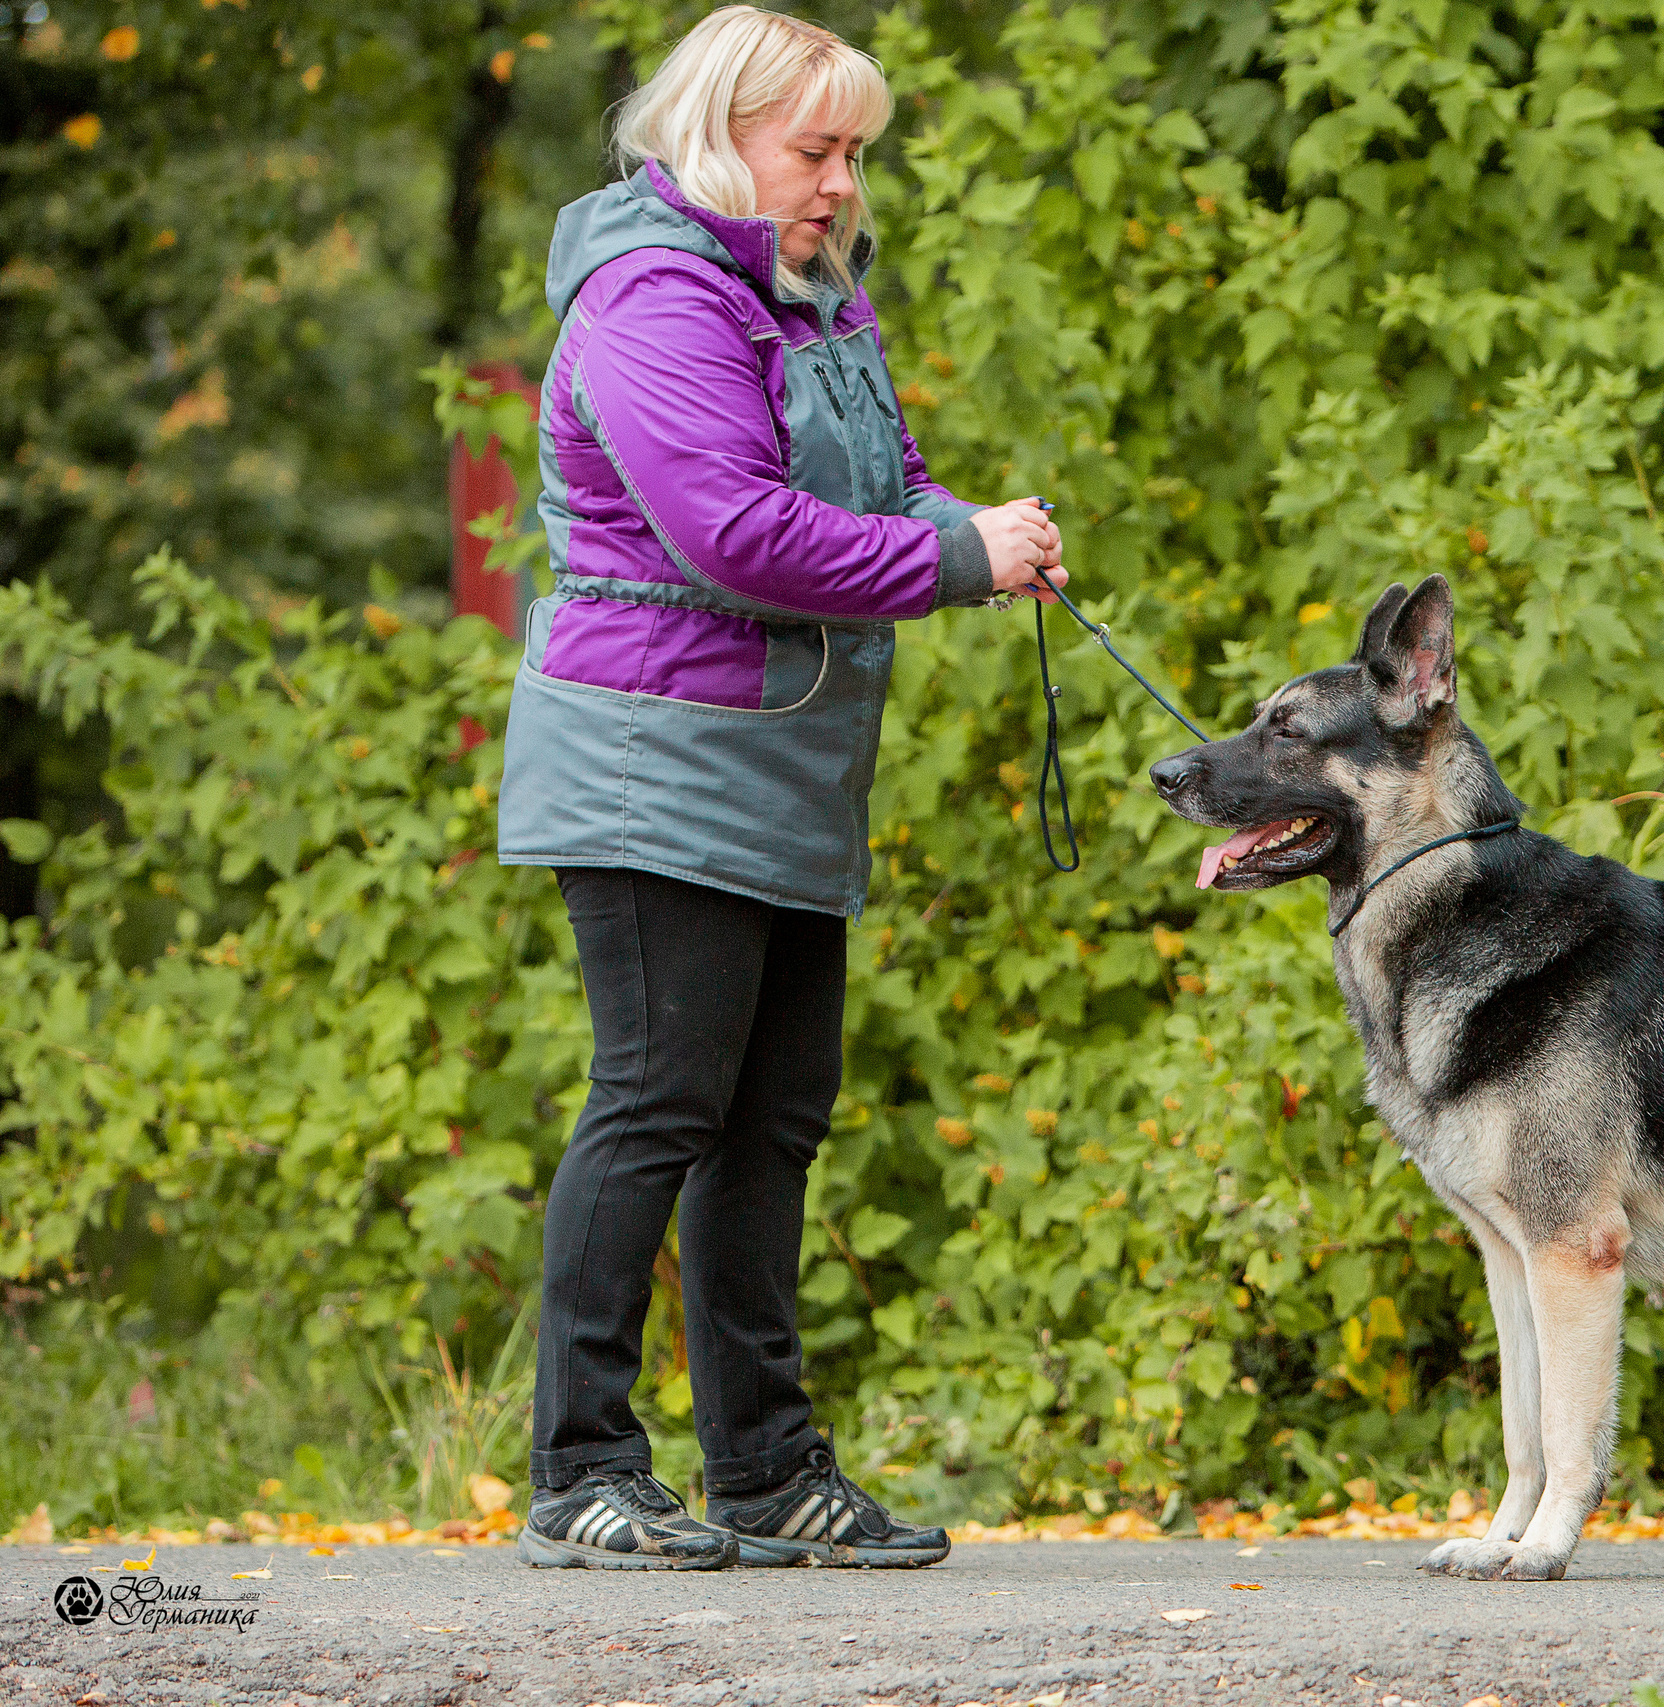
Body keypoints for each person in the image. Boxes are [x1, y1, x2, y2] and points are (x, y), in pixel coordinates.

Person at [493, 4, 1063, 1570]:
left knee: (774, 1120)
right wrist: (955, 559)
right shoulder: (652, 299)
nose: (836, 181)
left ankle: (762, 1471)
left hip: (782, 761)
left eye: (853, 152)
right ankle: (581, 1472)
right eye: (812, 148)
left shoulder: (812, 295)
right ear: (716, 135)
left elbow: (882, 480)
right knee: (661, 1101)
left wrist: (978, 523)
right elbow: (730, 530)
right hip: (647, 758)